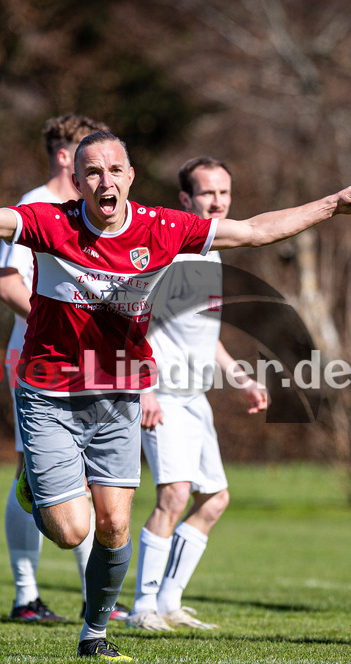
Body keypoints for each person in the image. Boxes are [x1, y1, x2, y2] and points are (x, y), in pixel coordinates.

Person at [0, 130, 351, 660]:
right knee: (71, 531)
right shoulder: (52, 222)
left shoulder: (162, 228)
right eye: (92, 171)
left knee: (113, 525)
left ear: (130, 177)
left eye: (115, 170)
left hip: (119, 394)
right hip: (48, 392)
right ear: (77, 180)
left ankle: (94, 636)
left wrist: (333, 205)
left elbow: (252, 231)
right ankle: (36, 484)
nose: (104, 180)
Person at [126, 157, 268, 633]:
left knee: (216, 499)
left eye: (224, 193)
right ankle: (142, 608)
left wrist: (240, 377)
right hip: (162, 394)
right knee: (174, 495)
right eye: (208, 194)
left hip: (195, 397)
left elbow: (204, 335)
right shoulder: (171, 253)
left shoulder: (212, 254)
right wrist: (143, 386)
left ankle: (169, 603)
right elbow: (133, 322)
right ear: (185, 200)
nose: (219, 202)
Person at [0, 114, 127, 623]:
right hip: (40, 360)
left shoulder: (102, 213)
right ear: (63, 156)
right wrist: (70, 327)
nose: (101, 173)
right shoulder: (34, 206)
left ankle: (94, 596)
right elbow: (9, 283)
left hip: (94, 366)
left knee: (97, 480)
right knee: (31, 473)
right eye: (86, 156)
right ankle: (26, 594)